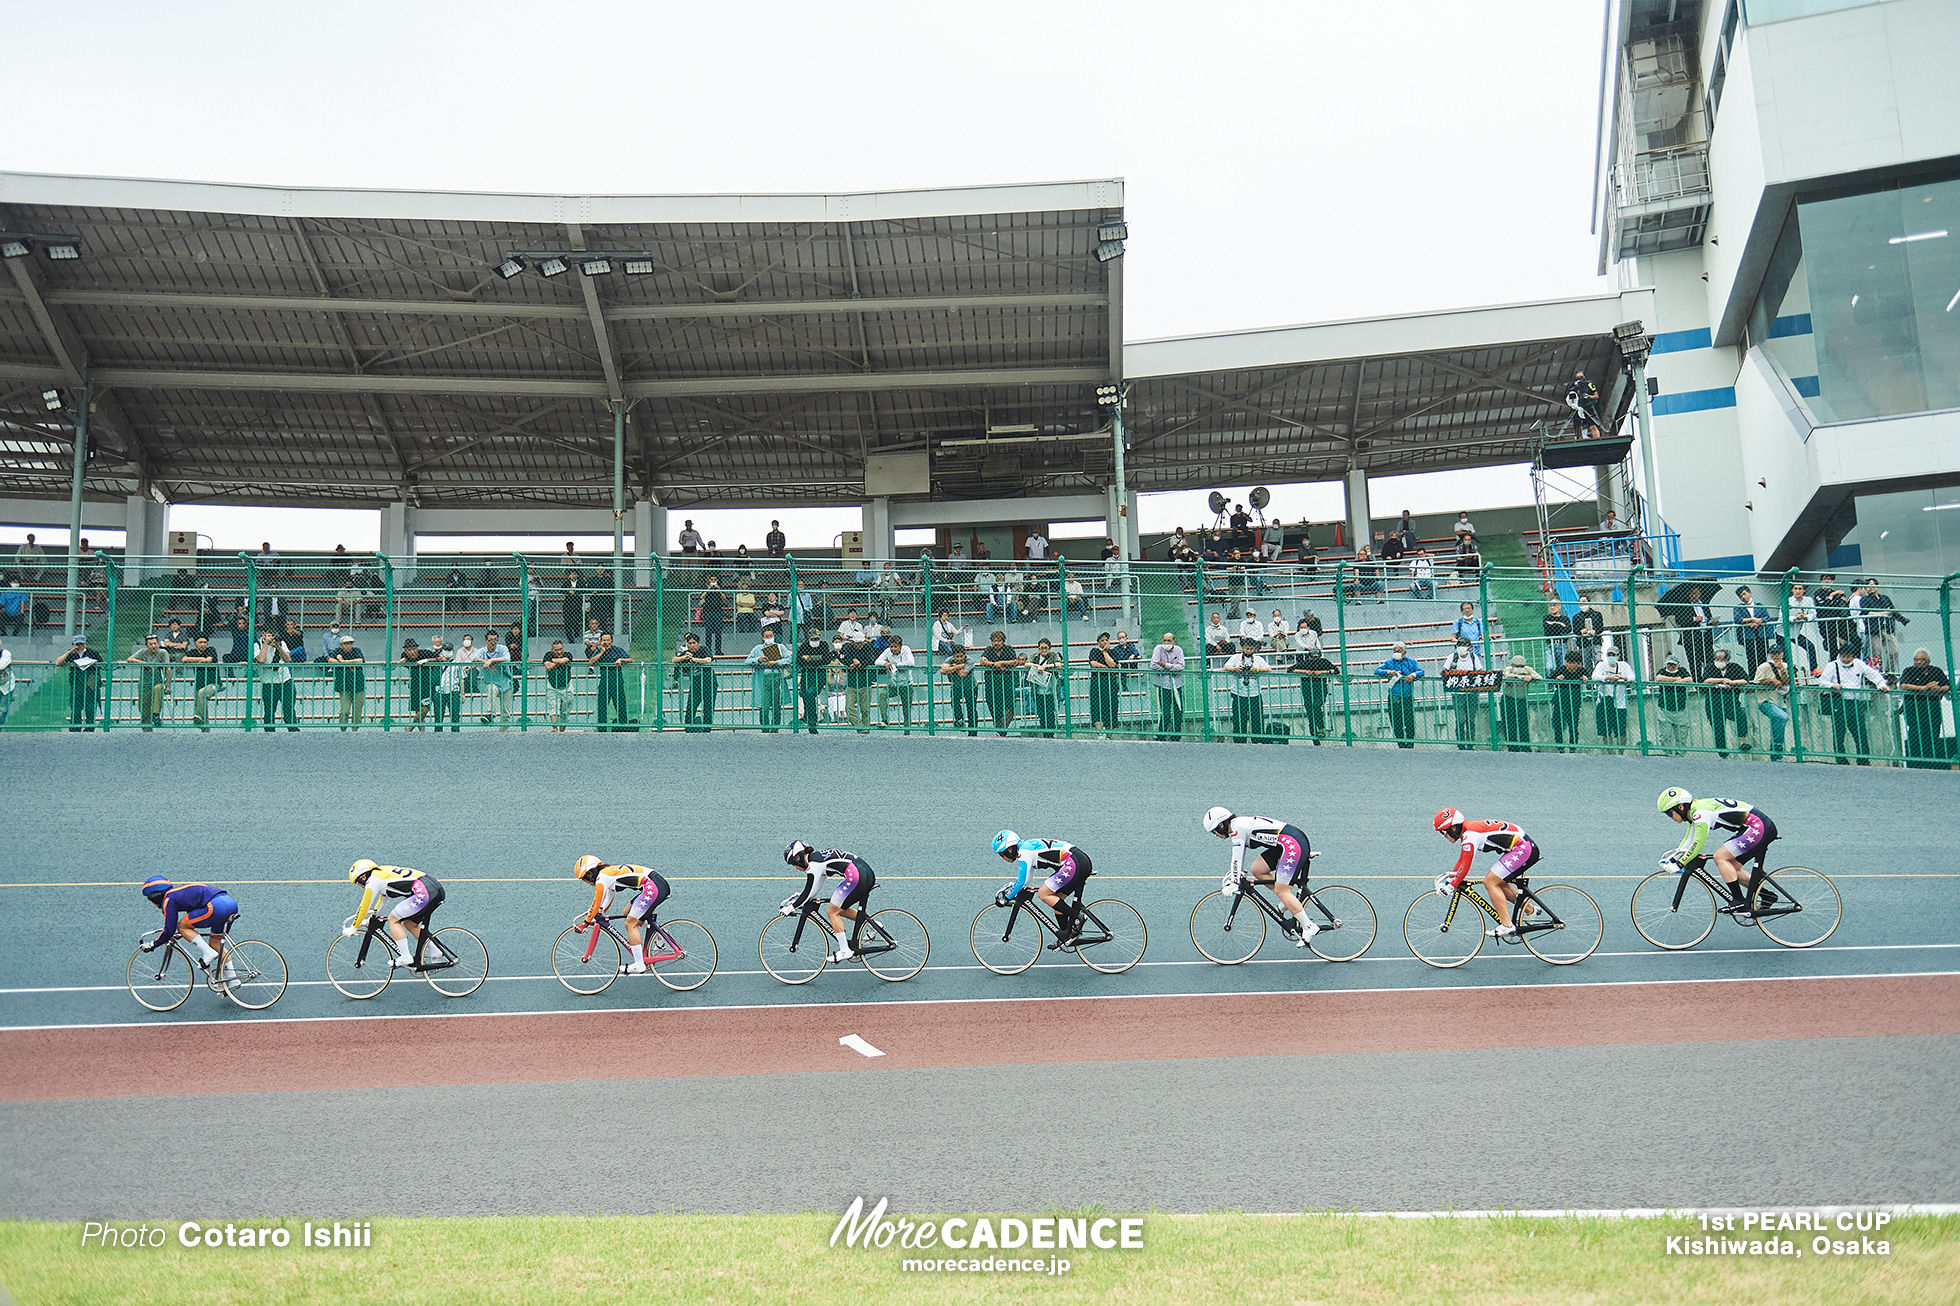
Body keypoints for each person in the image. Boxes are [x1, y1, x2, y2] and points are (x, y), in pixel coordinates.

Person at [1656, 788, 1780, 921]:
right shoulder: (1694, 811)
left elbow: (1697, 844)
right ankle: (1767, 895)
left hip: (1758, 827)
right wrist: (1674, 857)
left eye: (1670, 814)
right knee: (1731, 868)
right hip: (1756, 827)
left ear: (1680, 807)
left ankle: (1738, 900)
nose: (1670, 818)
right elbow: (1689, 839)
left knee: (1720, 857)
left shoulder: (1700, 813)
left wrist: (1681, 863)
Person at [1203, 807, 1318, 944]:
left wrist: (1234, 882)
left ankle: (1309, 926)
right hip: (1286, 843)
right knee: (1257, 869)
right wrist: (1236, 876)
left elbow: (1237, 857)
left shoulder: (1237, 829)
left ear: (1221, 825)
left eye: (1214, 831)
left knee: (1283, 891)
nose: (1215, 834)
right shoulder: (1238, 824)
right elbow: (1239, 859)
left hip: (1292, 845)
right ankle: (1288, 902)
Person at [1432, 809, 1541, 939]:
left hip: (1523, 849)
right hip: (1521, 847)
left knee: (1490, 882)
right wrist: (1449, 880)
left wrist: (1451, 885)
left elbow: (1466, 864)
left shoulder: (1470, 835)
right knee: (1499, 883)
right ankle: (1530, 910)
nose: (1444, 836)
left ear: (1454, 828)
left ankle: (1507, 926)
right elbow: (1461, 860)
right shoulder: (1467, 831)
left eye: (1444, 832)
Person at [991, 830, 1093, 947]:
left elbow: (1021, 882)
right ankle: (1066, 935)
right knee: (1056, 901)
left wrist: (1006, 898)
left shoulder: (1024, 852)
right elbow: (1026, 879)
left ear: (1009, 849)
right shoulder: (1025, 848)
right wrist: (1013, 890)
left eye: (1002, 854)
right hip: (1077, 860)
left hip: (1073, 862)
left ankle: (1078, 917)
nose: (1002, 858)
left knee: (1043, 893)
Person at [572, 855, 670, 974]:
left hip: (652, 887)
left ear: (590, 874)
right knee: (627, 912)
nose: (586, 882)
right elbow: (606, 899)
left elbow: (596, 902)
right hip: (655, 884)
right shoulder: (607, 873)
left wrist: (585, 923)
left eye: (584, 879)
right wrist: (597, 915)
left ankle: (639, 965)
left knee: (630, 924)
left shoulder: (602, 877)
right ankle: (660, 935)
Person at [781, 841, 875, 963]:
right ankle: (874, 925)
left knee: (832, 912)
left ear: (797, 857)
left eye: (794, 864)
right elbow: (814, 887)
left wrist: (791, 907)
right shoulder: (819, 858)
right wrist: (803, 897)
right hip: (866, 873)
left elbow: (808, 890)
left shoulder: (814, 864)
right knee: (840, 909)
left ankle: (845, 950)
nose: (796, 868)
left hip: (856, 876)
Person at [345, 860, 444, 969]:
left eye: (358, 883)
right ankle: (435, 951)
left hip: (424, 892)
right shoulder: (381, 873)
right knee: (409, 923)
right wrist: (372, 918)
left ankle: (406, 957)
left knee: (393, 920)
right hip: (433, 888)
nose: (360, 886)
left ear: (363, 877)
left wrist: (354, 927)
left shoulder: (372, 881)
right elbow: (383, 899)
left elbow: (364, 906)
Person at [139, 877, 241, 983]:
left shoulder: (168, 900)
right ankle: (233, 980)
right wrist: (180, 934)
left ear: (155, 897)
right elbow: (194, 918)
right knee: (216, 942)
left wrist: (153, 944)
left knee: (181, 926)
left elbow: (169, 929)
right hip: (230, 903)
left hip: (216, 906)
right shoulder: (179, 893)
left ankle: (208, 953)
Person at [1817, 643, 1889, 764]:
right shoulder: (1832, 665)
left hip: (1855, 703)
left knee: (1860, 732)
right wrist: (1832, 685)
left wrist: (1882, 685)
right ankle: (1841, 759)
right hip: (1839, 702)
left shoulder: (1859, 664)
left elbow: (1873, 675)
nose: (1845, 659)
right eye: (1842, 656)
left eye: (1848, 657)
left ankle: (1863, 759)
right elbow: (1822, 681)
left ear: (1854, 656)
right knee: (1839, 733)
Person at [1899, 649, 1952, 769]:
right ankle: (1915, 762)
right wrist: (1924, 688)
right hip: (1914, 707)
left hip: (1932, 707)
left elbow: (1947, 685)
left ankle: (1932, 762)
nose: (1918, 662)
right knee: (1915, 734)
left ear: (1927, 661)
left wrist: (1939, 689)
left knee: (1933, 733)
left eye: (1921, 660)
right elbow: (1904, 685)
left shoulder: (1936, 671)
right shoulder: (1909, 670)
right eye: (1916, 660)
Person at [1700, 647, 1750, 757]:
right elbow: (1706, 680)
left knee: (1740, 716)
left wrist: (1732, 682)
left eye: (1721, 659)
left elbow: (1745, 680)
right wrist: (1722, 680)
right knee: (1718, 728)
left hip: (1730, 700)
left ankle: (1742, 741)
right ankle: (1723, 754)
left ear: (1727, 660)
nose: (1718, 662)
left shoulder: (1735, 667)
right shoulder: (1710, 667)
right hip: (1714, 702)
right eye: (1716, 659)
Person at [1374, 641, 1423, 748]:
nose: (1396, 653)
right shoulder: (1389, 662)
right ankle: (1400, 743)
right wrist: (1389, 672)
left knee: (1409, 720)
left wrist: (1413, 675)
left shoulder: (1411, 662)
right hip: (1394, 695)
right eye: (1395, 651)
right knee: (1396, 721)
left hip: (1407, 695)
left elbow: (1421, 671)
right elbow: (1377, 671)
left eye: (1399, 651)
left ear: (1404, 653)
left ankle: (1410, 743)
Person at [1855, 579, 1908, 677]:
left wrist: (1901, 617)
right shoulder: (1865, 600)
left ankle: (1889, 672)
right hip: (1873, 630)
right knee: (1876, 652)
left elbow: (1892, 610)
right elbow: (1866, 613)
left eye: (1872, 585)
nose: (1870, 587)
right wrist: (1883, 613)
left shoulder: (1885, 598)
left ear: (1877, 586)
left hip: (1886, 629)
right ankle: (1877, 673)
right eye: (1867, 586)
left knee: (1894, 651)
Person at [1221, 638, 1271, 742]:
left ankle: (1258, 740)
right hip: (1239, 693)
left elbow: (1269, 669)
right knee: (1239, 719)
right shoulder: (1235, 657)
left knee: (1257, 719)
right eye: (1247, 648)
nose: (1249, 651)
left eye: (1251, 649)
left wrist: (1257, 670)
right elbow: (1225, 667)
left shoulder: (1258, 659)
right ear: (1243, 648)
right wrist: (1235, 669)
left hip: (1254, 694)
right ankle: (1240, 740)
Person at [977, 630, 1024, 735]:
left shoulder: (1009, 649)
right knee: (995, 710)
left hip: (1007, 684)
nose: (996, 643)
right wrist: (995, 665)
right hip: (992, 686)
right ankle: (1001, 733)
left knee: (1009, 709)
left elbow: (1014, 661)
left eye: (998, 641)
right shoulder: (988, 650)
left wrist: (1001, 663)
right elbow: (982, 661)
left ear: (1003, 641)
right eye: (994, 641)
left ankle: (1001, 731)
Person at [1439, 637, 1483, 750]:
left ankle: (1470, 743)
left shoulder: (1473, 657)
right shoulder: (1452, 657)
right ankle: (1460, 743)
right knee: (1460, 719)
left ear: (1469, 648)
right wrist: (1445, 672)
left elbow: (1480, 671)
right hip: (1458, 693)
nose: (1461, 648)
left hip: (1472, 693)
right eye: (1459, 645)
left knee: (1470, 720)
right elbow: (1444, 670)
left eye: (1464, 645)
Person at [1752, 644, 1794, 761]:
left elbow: (1787, 682)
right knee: (1782, 718)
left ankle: (1776, 755)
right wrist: (1771, 680)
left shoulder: (1785, 665)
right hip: (1766, 701)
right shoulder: (1763, 667)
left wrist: (1782, 671)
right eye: (1773, 653)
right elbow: (1757, 683)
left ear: (1782, 654)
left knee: (1778, 728)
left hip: (1781, 701)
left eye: (1778, 653)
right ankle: (1776, 752)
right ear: (1769, 654)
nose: (1776, 656)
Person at [1592, 642, 1635, 750]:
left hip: (1620, 703)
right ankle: (1610, 754)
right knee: (1606, 731)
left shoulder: (1624, 665)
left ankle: (1621, 752)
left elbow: (1632, 677)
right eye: (1609, 655)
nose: (1611, 657)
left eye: (1614, 655)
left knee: (1621, 731)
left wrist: (1622, 677)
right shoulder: (1601, 665)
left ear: (1618, 656)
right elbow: (1594, 676)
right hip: (1605, 701)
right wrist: (1608, 678)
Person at [589, 631, 632, 732]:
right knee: (602, 706)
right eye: (604, 640)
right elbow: (591, 661)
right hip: (604, 681)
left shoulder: (617, 650)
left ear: (611, 641)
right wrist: (602, 652)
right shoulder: (599, 651)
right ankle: (602, 729)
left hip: (617, 680)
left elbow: (631, 659)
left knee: (621, 705)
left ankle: (623, 727)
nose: (606, 642)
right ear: (600, 641)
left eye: (608, 640)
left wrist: (621, 660)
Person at [1652, 653, 1694, 755]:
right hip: (1665, 709)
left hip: (1680, 709)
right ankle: (1667, 754)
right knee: (1665, 735)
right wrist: (1675, 680)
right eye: (1669, 664)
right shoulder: (1662, 671)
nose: (1671, 667)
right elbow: (1658, 678)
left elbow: (1689, 679)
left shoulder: (1682, 671)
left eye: (1673, 665)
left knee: (1681, 734)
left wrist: (1678, 681)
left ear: (1678, 665)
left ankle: (1680, 755)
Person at [1294, 645, 1337, 745]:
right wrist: (1305, 672)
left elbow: (1336, 670)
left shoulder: (1324, 662)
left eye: (1316, 657)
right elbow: (1291, 669)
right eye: (1312, 657)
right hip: (1307, 689)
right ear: (1309, 657)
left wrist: (1321, 672)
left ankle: (1321, 727)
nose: (1314, 659)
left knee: (1316, 706)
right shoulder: (1305, 663)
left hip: (1320, 688)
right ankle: (1314, 737)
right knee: (1310, 712)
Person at [673, 632, 716, 732]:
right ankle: (689, 729)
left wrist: (694, 659)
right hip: (696, 685)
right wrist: (685, 657)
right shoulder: (686, 653)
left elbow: (708, 660)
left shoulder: (704, 649)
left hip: (709, 684)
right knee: (690, 709)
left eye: (694, 643)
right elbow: (674, 660)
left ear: (699, 643)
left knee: (708, 709)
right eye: (690, 643)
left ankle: (707, 730)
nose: (692, 645)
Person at [1548, 649, 1588, 752]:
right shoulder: (1561, 669)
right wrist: (1556, 678)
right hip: (1560, 699)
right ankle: (1560, 747)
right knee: (1558, 724)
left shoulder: (1581, 670)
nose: (1568, 665)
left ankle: (1573, 747)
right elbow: (1550, 679)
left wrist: (1585, 678)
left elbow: (1588, 676)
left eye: (1571, 663)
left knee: (1573, 725)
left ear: (1578, 664)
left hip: (1574, 700)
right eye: (1567, 662)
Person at [128, 634, 170, 731]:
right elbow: (130, 659)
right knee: (144, 711)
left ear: (158, 644)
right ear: (146, 645)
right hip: (144, 684)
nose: (153, 646)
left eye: (155, 643)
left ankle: (156, 714)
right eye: (150, 644)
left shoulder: (163, 652)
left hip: (157, 682)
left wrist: (168, 686)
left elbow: (168, 668)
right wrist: (145, 664)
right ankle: (147, 733)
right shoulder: (143, 652)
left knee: (158, 688)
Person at [794, 629, 832, 734]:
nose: (815, 640)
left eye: (817, 638)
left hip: (819, 676)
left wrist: (810, 659)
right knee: (805, 694)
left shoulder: (824, 645)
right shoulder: (804, 646)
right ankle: (809, 718)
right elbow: (798, 660)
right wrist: (808, 660)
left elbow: (826, 659)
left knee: (810, 694)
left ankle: (812, 721)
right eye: (813, 639)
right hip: (807, 675)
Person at [1149, 631, 1186, 740]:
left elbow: (1181, 666)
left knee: (1178, 710)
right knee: (1165, 712)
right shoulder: (1158, 649)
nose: (1166, 642)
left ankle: (1176, 735)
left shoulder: (1178, 650)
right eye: (1164, 640)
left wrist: (1166, 665)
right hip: (1163, 684)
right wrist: (1171, 670)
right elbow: (1153, 665)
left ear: (1174, 642)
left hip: (1177, 685)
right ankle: (1161, 735)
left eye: (1169, 640)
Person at [839, 627, 877, 733]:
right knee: (849, 708)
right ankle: (862, 727)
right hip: (851, 684)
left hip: (865, 683)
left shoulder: (868, 647)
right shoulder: (847, 647)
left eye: (861, 643)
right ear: (853, 642)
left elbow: (871, 660)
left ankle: (865, 730)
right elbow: (842, 658)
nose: (859, 646)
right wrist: (849, 665)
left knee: (865, 709)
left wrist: (860, 664)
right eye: (857, 643)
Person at [1498, 654, 1538, 752]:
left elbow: (1538, 676)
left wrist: (1531, 676)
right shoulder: (1508, 669)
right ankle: (1512, 747)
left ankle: (1525, 747)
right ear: (1512, 665)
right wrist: (1519, 676)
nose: (1520, 668)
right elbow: (1507, 675)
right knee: (1509, 724)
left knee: (1523, 724)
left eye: (1521, 666)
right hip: (1509, 699)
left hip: (1521, 700)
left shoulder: (1528, 669)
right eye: (1517, 666)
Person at [327, 633, 366, 731]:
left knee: (357, 710)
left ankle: (355, 730)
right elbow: (330, 660)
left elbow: (360, 661)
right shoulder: (337, 651)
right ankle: (343, 730)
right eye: (346, 643)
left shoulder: (357, 650)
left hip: (358, 684)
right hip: (343, 684)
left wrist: (343, 662)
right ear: (341, 645)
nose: (349, 645)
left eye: (350, 643)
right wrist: (349, 664)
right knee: (345, 710)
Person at [1732, 587, 1772, 676]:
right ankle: (1754, 677)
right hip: (1749, 637)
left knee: (1763, 656)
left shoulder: (1759, 605)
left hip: (1761, 635)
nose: (1743, 597)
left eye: (1744, 594)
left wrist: (1759, 621)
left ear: (1750, 593)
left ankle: (1764, 676)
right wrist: (1752, 620)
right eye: (1740, 596)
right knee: (1751, 658)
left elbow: (1766, 617)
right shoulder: (1738, 608)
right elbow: (1738, 619)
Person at [1027, 637, 1062, 737]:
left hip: (1051, 690)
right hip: (1038, 690)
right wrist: (1037, 666)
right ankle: (1045, 732)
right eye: (1041, 648)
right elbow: (1027, 663)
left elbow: (1059, 663)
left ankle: (1050, 733)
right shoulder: (1035, 656)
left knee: (1050, 712)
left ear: (1049, 648)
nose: (1043, 650)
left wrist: (1046, 667)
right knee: (1041, 713)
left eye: (1046, 648)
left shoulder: (1053, 655)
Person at [941, 646, 980, 736]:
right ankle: (959, 719)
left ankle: (973, 732)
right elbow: (943, 670)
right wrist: (958, 667)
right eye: (957, 657)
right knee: (954, 702)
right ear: (953, 656)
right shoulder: (949, 660)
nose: (959, 659)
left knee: (971, 709)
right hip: (957, 686)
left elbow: (963, 674)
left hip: (970, 687)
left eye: (961, 656)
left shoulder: (969, 660)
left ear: (964, 655)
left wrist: (952, 669)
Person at [1088, 632, 1121, 734]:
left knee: (1111, 707)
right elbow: (1094, 664)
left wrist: (1105, 653)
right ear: (1098, 643)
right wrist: (1107, 668)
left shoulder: (1113, 652)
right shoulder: (1094, 651)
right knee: (1097, 707)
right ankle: (1100, 733)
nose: (1105, 642)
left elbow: (1113, 665)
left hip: (1110, 683)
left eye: (1106, 640)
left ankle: (1109, 734)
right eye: (1102, 640)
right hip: (1097, 683)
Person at [538, 639, 574, 731]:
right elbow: (548, 667)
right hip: (552, 686)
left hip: (567, 686)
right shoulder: (548, 655)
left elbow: (564, 660)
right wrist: (558, 662)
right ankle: (555, 728)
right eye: (556, 650)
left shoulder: (568, 654)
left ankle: (562, 730)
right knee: (553, 707)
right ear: (552, 650)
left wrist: (554, 661)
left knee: (565, 711)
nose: (559, 652)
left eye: (561, 649)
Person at [477, 629, 511, 729]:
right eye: (491, 640)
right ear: (486, 640)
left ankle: (503, 733)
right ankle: (490, 714)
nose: (493, 642)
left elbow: (507, 658)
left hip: (505, 683)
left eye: (495, 639)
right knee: (492, 689)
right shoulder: (482, 651)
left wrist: (491, 661)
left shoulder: (502, 648)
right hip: (492, 682)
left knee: (506, 713)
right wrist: (486, 661)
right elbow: (474, 658)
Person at [431, 636, 464, 732]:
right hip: (439, 691)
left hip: (453, 691)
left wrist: (462, 693)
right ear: (442, 650)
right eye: (446, 649)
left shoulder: (456, 663)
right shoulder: (437, 663)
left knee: (454, 716)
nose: (448, 652)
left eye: (449, 650)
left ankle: (455, 734)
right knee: (438, 716)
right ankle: (438, 735)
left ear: (453, 651)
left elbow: (461, 678)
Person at [1565, 370, 1602, 438]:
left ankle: (1597, 440)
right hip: (1577, 408)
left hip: (1588, 407)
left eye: (1581, 377)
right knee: (1578, 429)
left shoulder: (1589, 385)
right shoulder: (1572, 387)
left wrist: (1588, 396)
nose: (1579, 379)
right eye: (1578, 377)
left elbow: (1596, 396)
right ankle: (1580, 441)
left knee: (1593, 426)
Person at [1542, 602, 1572, 675]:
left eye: (1554, 605)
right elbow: (1548, 630)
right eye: (1550, 605)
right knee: (1549, 667)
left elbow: (1567, 629)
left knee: (1563, 667)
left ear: (1559, 607)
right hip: (1550, 645)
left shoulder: (1565, 618)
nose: (1552, 607)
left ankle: (1562, 685)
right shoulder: (1546, 617)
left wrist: (1552, 624)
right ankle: (1550, 686)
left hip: (1562, 644)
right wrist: (1560, 624)